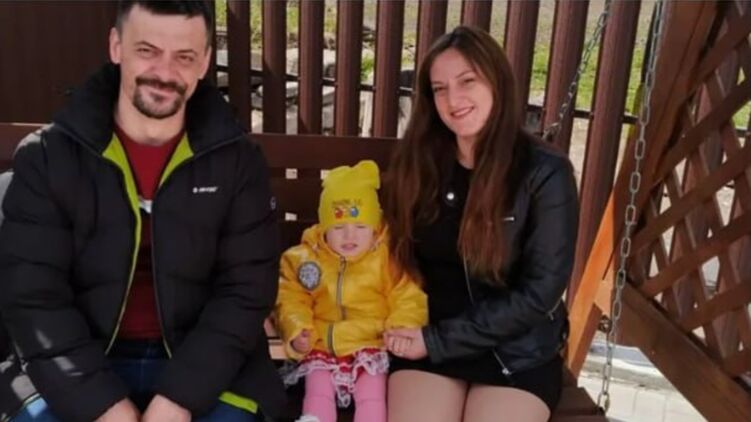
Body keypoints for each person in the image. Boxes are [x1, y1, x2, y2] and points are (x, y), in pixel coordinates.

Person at [0, 1, 285, 421]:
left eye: (184, 56)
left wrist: (179, 400)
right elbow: (34, 298)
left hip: (205, 367)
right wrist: (102, 406)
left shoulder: (237, 162)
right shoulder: (47, 158)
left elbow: (245, 292)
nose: (164, 73)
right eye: (147, 50)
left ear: (205, 62)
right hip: (75, 364)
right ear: (116, 46)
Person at [381, 26, 579, 422]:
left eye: (467, 81)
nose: (453, 100)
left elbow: (539, 292)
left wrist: (437, 341)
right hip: (427, 339)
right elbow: (389, 255)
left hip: (514, 353)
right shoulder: (419, 163)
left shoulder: (545, 173)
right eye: (439, 89)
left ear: (496, 81)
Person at [275, 161, 427, 422]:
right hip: (321, 345)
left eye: (360, 227)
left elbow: (407, 296)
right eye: (338, 227)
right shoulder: (306, 259)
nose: (349, 236)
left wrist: (401, 329)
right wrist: (297, 329)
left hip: (371, 344)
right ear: (324, 228)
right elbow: (291, 298)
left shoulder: (386, 259)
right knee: (317, 390)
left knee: (372, 394)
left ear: (374, 228)